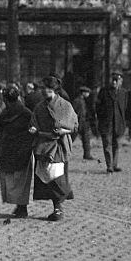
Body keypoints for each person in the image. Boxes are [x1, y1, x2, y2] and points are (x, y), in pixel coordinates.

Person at [29, 75, 78, 222]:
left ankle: (58, 208)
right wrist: (33, 129)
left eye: (48, 89)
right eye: (43, 89)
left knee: (57, 176)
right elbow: (34, 121)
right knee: (46, 176)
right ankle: (56, 207)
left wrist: (65, 131)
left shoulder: (65, 105)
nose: (44, 92)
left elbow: (74, 125)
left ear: (55, 90)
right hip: (43, 145)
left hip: (58, 146)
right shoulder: (39, 107)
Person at [0, 84, 34, 221]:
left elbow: (1, 128)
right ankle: (21, 206)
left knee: (9, 178)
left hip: (8, 149)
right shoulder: (26, 112)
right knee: (22, 179)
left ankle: (20, 206)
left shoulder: (4, 114)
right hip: (23, 149)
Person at [95, 71, 127, 173]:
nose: (114, 82)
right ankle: (109, 166)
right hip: (106, 123)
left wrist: (124, 121)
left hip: (118, 124)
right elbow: (98, 106)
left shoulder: (123, 93)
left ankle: (114, 165)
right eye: (113, 80)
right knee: (107, 144)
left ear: (121, 81)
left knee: (116, 145)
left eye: (116, 80)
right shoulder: (104, 91)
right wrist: (102, 118)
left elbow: (125, 108)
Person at [72, 85, 96, 160]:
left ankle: (87, 154)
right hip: (77, 123)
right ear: (83, 93)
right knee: (71, 138)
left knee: (86, 139)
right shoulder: (77, 101)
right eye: (87, 92)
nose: (88, 94)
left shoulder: (82, 100)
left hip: (83, 122)